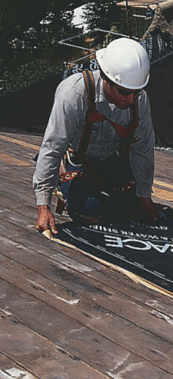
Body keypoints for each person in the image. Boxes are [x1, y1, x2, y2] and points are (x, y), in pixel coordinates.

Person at [34, 37, 157, 235]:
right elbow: (52, 147)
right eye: (125, 92)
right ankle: (62, 183)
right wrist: (43, 206)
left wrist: (144, 197)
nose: (131, 99)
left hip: (110, 158)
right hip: (78, 160)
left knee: (129, 209)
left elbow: (142, 149)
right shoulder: (74, 95)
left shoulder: (139, 100)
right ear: (107, 79)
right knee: (91, 209)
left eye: (136, 91)